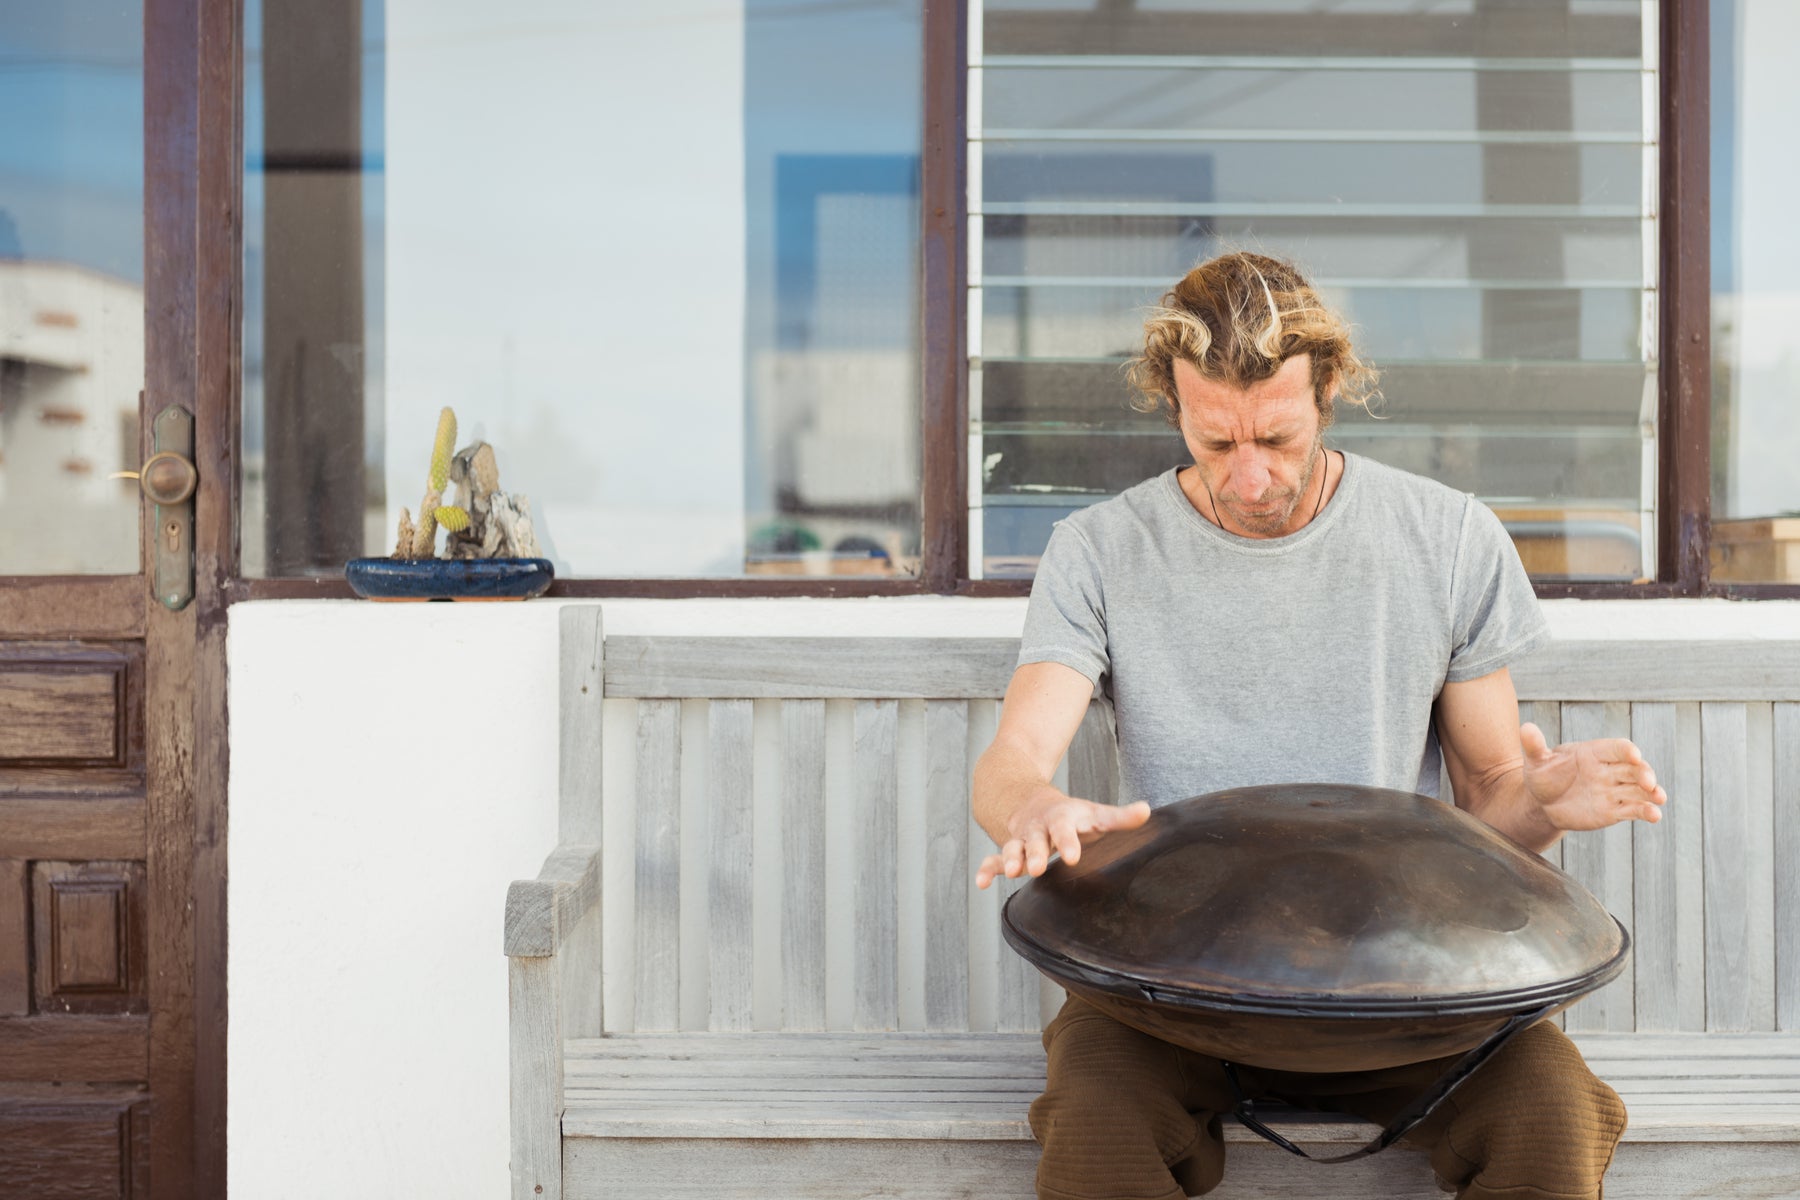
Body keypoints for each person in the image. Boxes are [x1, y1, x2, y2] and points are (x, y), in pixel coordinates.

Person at [971, 251, 1668, 1200]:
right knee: (1094, 1122)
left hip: (1412, 990)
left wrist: (1541, 802)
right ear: (1171, 404)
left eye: (1277, 437)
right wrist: (1032, 808)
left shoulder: (1449, 536)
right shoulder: (1097, 550)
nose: (1249, 477)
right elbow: (1013, 759)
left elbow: (1494, 805)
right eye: (1216, 443)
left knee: (1552, 1111)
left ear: (1329, 390)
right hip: (1170, 992)